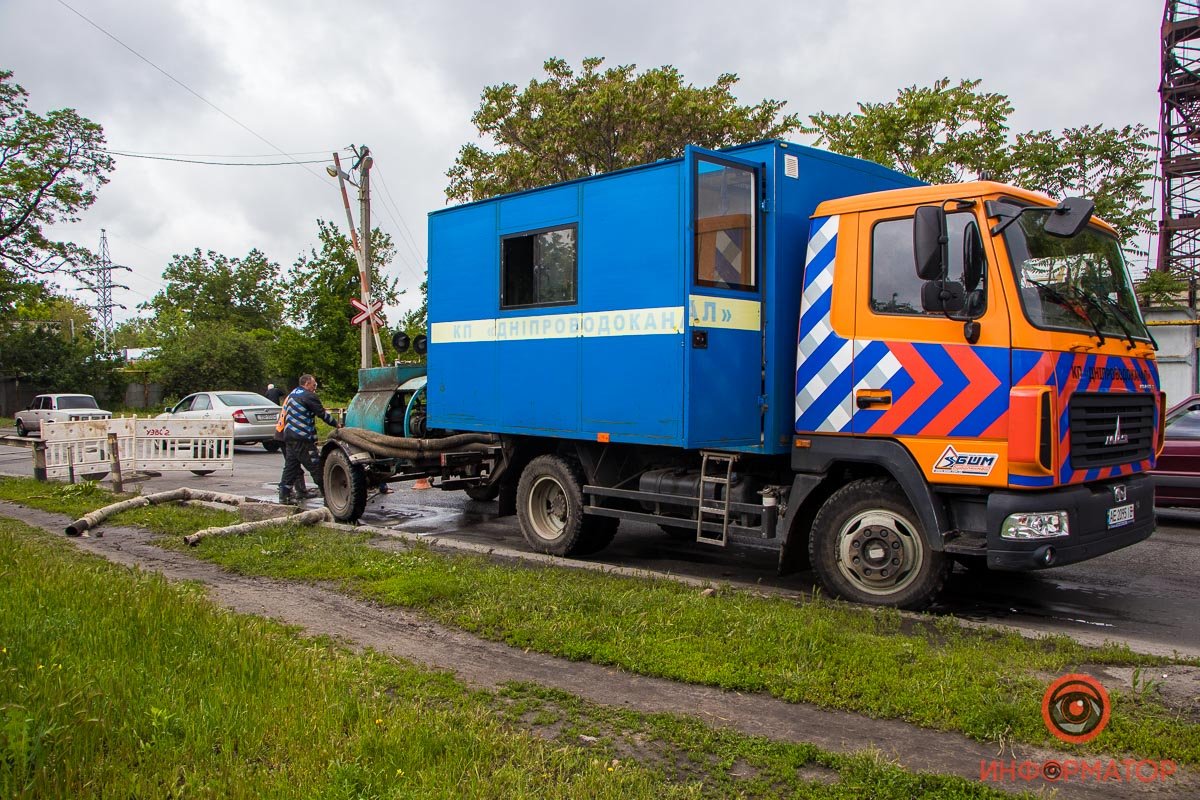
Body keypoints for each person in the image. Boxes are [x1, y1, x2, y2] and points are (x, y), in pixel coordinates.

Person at [277, 374, 341, 504]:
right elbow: (322, 414)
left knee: (291, 467)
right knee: (316, 467)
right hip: (303, 438)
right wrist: (337, 425)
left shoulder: (292, 394)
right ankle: (329, 496)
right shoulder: (309, 396)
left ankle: (284, 495)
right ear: (306, 384)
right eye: (313, 385)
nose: (314, 387)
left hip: (289, 437)